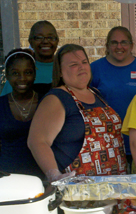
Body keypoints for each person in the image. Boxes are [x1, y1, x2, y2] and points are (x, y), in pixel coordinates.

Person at [28, 44, 127, 182]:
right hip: (80, 191)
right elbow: (37, 141)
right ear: (60, 72)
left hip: (114, 186)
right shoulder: (56, 98)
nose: (81, 67)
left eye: (84, 62)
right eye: (74, 64)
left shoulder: (96, 94)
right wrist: (55, 176)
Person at [90, 26, 136, 169]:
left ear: (131, 45)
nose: (119, 47)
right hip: (106, 143)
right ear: (107, 46)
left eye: (124, 42)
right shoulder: (94, 69)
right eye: (114, 43)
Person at [0, 49, 44, 179]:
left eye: (28, 72)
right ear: (7, 75)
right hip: (7, 177)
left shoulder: (47, 102)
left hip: (43, 177)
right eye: (15, 73)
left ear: (35, 74)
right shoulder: (1, 105)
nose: (22, 78)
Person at [1, 20, 58, 96]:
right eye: (39, 37)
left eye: (50, 37)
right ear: (30, 42)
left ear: (57, 41)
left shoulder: (65, 66)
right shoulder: (21, 69)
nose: (45, 41)